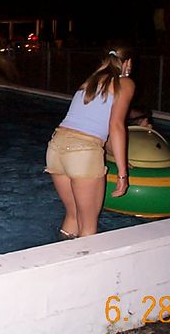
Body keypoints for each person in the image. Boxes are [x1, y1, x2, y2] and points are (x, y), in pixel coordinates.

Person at [45, 44, 136, 240]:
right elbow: (116, 126)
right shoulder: (125, 83)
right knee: (88, 226)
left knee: (72, 215)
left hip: (55, 148)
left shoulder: (90, 82)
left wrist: (117, 157)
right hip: (83, 153)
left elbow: (98, 130)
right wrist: (122, 174)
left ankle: (62, 254)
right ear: (127, 63)